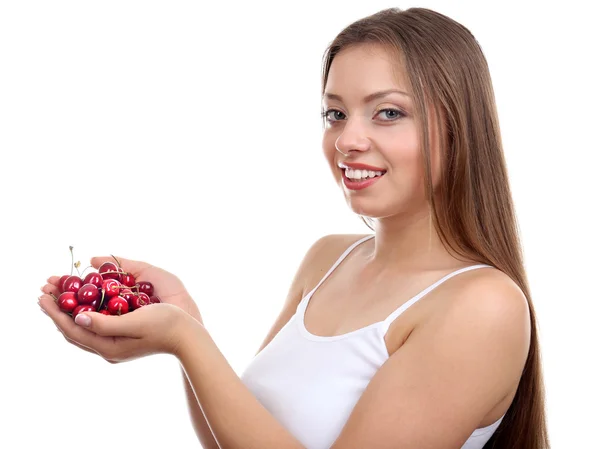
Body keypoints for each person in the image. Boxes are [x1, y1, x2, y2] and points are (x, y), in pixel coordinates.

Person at [38, 7, 550, 449]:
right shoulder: (327, 259)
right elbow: (236, 435)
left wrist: (184, 340)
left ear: (459, 127)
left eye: (388, 113)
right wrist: (185, 320)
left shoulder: (482, 305)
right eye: (335, 113)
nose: (348, 139)